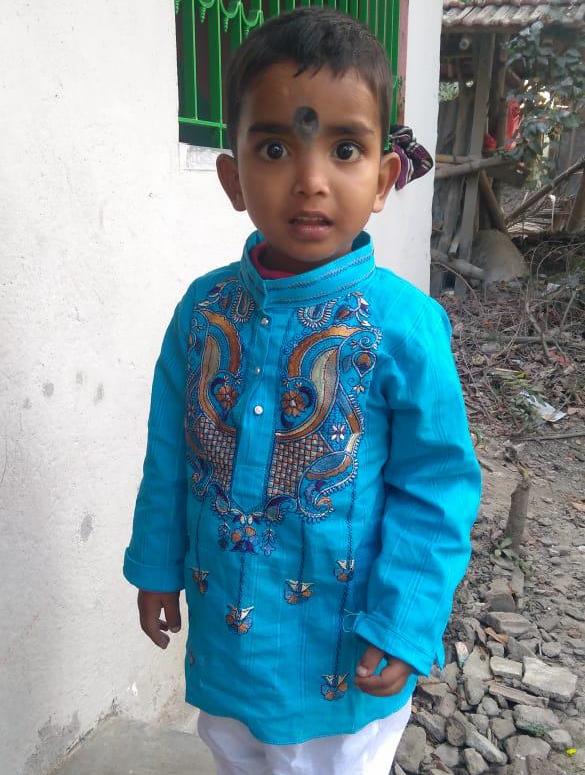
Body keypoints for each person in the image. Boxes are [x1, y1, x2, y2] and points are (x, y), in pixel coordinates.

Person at [123, 8, 481, 774]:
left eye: (345, 148)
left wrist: (405, 619)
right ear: (233, 177)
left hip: (344, 655)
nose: (310, 180)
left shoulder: (404, 326)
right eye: (275, 148)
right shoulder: (203, 312)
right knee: (236, 753)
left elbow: (437, 488)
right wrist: (155, 565)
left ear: (383, 179)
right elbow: (168, 455)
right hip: (228, 642)